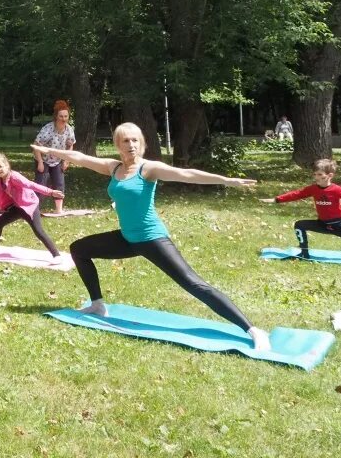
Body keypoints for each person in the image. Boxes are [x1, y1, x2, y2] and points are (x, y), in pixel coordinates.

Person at [32, 122, 271, 351]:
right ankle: (97, 305)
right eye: (126, 140)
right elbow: (80, 158)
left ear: (142, 143)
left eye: (135, 140)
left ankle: (252, 329)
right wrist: (49, 150)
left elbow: (185, 174)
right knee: (80, 249)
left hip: (152, 239)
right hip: (127, 238)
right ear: (118, 144)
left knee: (194, 284)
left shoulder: (148, 169)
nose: (131, 145)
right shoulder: (114, 167)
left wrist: (226, 180)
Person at [268, 158, 341, 258]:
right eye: (315, 174)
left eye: (320, 175)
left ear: (330, 175)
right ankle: (304, 253)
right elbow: (297, 194)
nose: (316, 177)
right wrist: (277, 199)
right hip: (322, 224)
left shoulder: (336, 190)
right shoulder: (313, 189)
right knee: (299, 225)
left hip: (339, 226)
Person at [0, 152, 63, 260]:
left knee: (38, 231)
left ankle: (56, 255)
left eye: (0, 166)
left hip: (29, 206)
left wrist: (50, 192)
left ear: (7, 165)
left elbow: (30, 184)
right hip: (17, 208)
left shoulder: (14, 176)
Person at [31, 100, 76, 214]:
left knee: (59, 183)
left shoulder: (69, 130)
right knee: (41, 184)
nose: (63, 118)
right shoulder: (48, 129)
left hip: (57, 160)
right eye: (61, 116)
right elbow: (36, 145)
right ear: (56, 116)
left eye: (66, 116)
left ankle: (59, 210)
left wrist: (66, 161)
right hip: (43, 159)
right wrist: (40, 162)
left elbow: (70, 145)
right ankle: (34, 210)